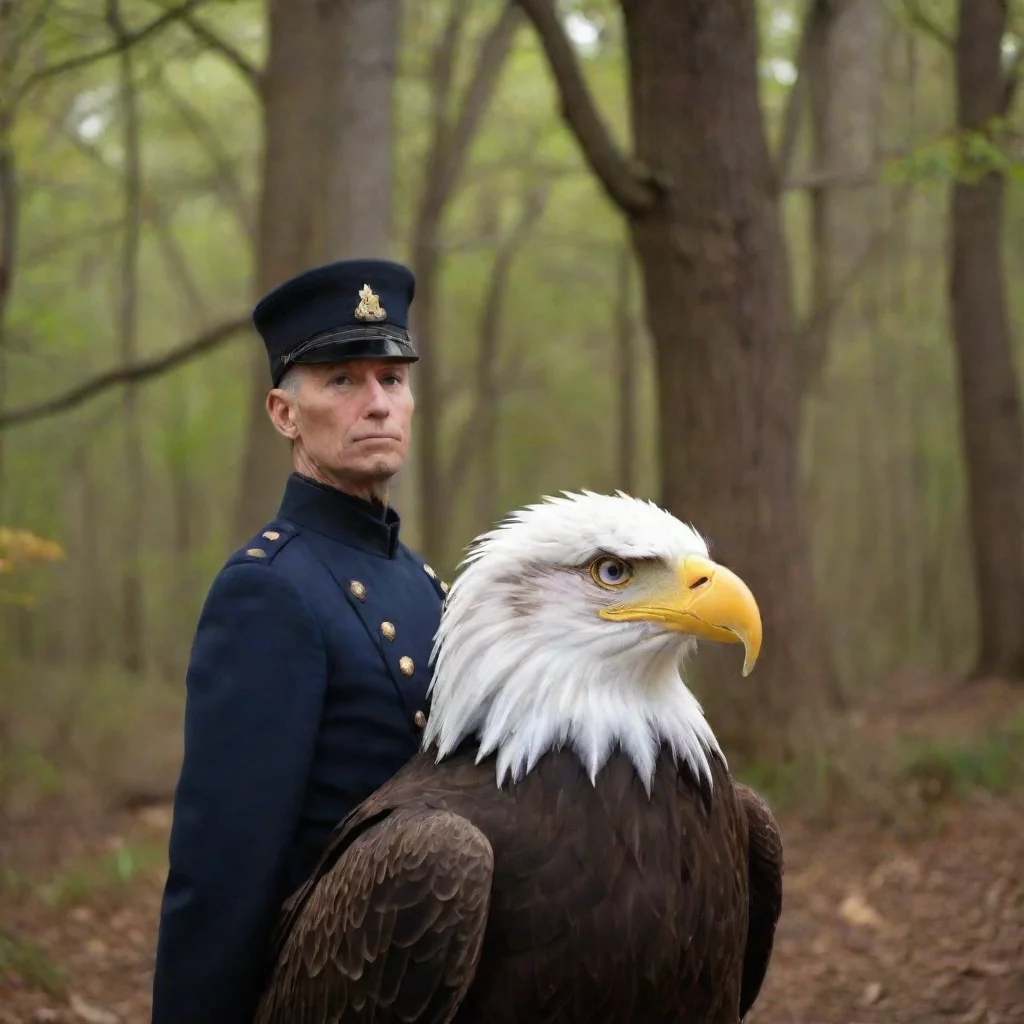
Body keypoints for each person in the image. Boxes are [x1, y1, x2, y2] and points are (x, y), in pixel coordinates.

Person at [150, 259, 448, 1024]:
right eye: (342, 382)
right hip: (329, 987)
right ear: (285, 414)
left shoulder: (427, 584)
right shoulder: (268, 591)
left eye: (391, 378)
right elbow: (223, 870)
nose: (377, 404)